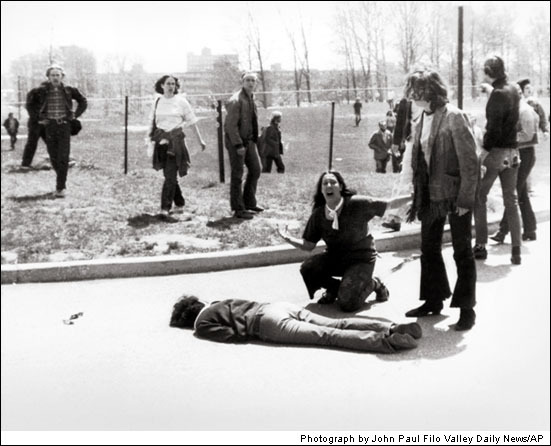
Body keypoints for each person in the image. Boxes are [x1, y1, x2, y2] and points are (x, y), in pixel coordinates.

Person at [403, 69, 479, 331]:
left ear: (432, 91)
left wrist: (465, 199)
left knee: (462, 251)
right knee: (429, 249)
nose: (414, 96)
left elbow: (471, 163)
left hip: (455, 194)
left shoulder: (454, 117)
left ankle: (467, 308)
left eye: (419, 91)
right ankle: (434, 300)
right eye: (412, 91)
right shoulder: (420, 119)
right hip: (430, 195)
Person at [278, 170, 411, 313]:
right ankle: (335, 289)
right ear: (321, 190)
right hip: (336, 259)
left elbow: (389, 204)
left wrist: (412, 197)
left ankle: (374, 283)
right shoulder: (318, 215)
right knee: (308, 268)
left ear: (340, 187)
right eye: (325, 183)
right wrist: (287, 237)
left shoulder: (357, 204)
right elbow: (308, 245)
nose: (329, 185)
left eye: (333, 182)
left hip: (361, 260)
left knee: (347, 304)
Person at [170, 295, 422, 353]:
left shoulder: (200, 324)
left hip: (266, 324)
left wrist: (247, 335)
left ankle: (388, 342)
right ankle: (392, 326)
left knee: (327, 336)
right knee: (338, 323)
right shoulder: (216, 302)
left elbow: (228, 335)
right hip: (276, 307)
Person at [473, 56, 522, 265]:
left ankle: (481, 244)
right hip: (513, 152)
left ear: (489, 72)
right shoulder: (513, 90)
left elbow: (493, 129)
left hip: (497, 153)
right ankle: (516, 250)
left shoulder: (497, 95)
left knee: (479, 196)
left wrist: (483, 151)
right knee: (511, 200)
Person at [148, 75, 206, 218]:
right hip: (161, 143)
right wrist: (150, 140)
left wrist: (200, 141)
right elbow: (153, 123)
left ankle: (165, 208)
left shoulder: (181, 102)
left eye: (173, 84)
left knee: (170, 176)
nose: (171, 86)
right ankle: (179, 201)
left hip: (176, 144)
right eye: (168, 83)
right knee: (169, 175)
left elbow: (192, 122)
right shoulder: (158, 101)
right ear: (161, 85)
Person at [25, 65, 87, 197]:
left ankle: (61, 187)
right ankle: (62, 178)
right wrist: (38, 119)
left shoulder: (69, 90)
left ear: (62, 76)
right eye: (52, 75)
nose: (55, 77)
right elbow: (29, 104)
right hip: (49, 127)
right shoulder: (40, 91)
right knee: (53, 156)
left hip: (64, 126)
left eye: (57, 75)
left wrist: (75, 115)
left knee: (63, 156)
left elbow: (83, 101)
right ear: (48, 77)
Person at [490, 83, 539, 244]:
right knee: (521, 192)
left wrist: (508, 137)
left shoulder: (524, 111)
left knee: (513, 193)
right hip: (516, 153)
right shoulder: (514, 110)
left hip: (525, 153)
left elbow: (527, 134)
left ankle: (503, 231)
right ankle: (530, 229)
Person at [224, 72, 263, 219]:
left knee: (256, 169)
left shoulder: (251, 98)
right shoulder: (236, 100)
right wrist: (238, 145)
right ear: (242, 82)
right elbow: (230, 126)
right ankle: (238, 208)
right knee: (237, 175)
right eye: (247, 80)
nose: (250, 83)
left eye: (253, 80)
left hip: (249, 141)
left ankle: (249, 202)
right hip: (237, 143)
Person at [21, 83, 48, 169]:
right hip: (36, 123)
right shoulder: (35, 92)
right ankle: (25, 164)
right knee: (32, 143)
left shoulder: (53, 93)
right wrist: (38, 119)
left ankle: (61, 161)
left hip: (46, 122)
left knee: (53, 143)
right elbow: (30, 107)